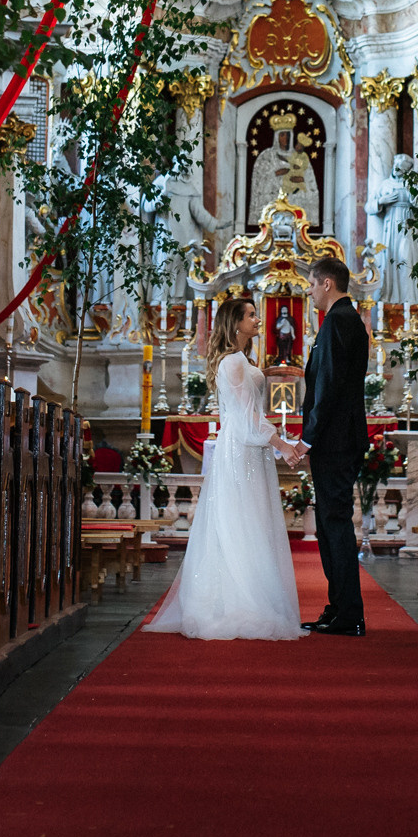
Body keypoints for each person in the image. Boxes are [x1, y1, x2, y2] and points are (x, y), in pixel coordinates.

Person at [143, 297, 307, 641]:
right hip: (242, 448)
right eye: (251, 315)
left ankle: (253, 595)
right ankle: (239, 603)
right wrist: (281, 445)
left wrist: (276, 444)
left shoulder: (241, 360)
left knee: (252, 519)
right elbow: (247, 416)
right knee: (241, 520)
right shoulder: (232, 362)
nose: (258, 320)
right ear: (235, 324)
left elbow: (251, 415)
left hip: (250, 448)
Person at [290, 255, 370, 636]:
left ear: (327, 283)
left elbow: (328, 385)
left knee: (334, 524)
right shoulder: (342, 320)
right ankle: (338, 607)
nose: (308, 291)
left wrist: (308, 437)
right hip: (337, 439)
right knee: (328, 523)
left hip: (336, 440)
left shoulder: (339, 321)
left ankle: (348, 613)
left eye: (311, 284)